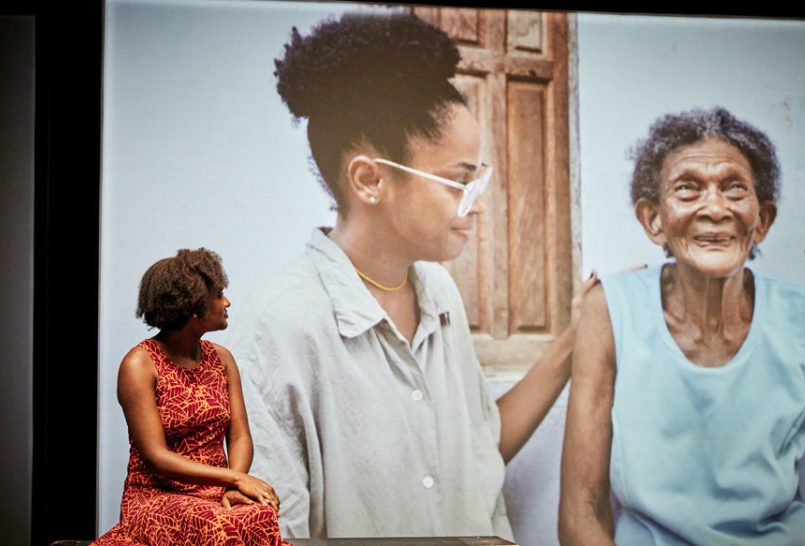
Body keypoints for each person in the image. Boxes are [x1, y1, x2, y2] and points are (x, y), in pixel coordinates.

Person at [228, 12, 595, 540]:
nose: (476, 204)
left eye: (477, 181)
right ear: (369, 180)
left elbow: (476, 454)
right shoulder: (277, 329)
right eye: (457, 182)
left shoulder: (437, 292)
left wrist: (574, 341)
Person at [558, 107, 805, 545]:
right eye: (688, 189)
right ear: (653, 220)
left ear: (762, 220)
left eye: (734, 188)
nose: (716, 208)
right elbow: (581, 512)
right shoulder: (609, 310)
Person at [96, 248, 290, 546]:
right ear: (194, 307)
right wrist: (235, 479)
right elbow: (156, 456)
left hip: (215, 491)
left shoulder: (222, 359)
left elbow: (239, 436)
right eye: (219, 295)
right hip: (157, 496)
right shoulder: (139, 364)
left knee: (259, 515)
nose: (227, 302)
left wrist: (233, 486)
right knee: (219, 526)